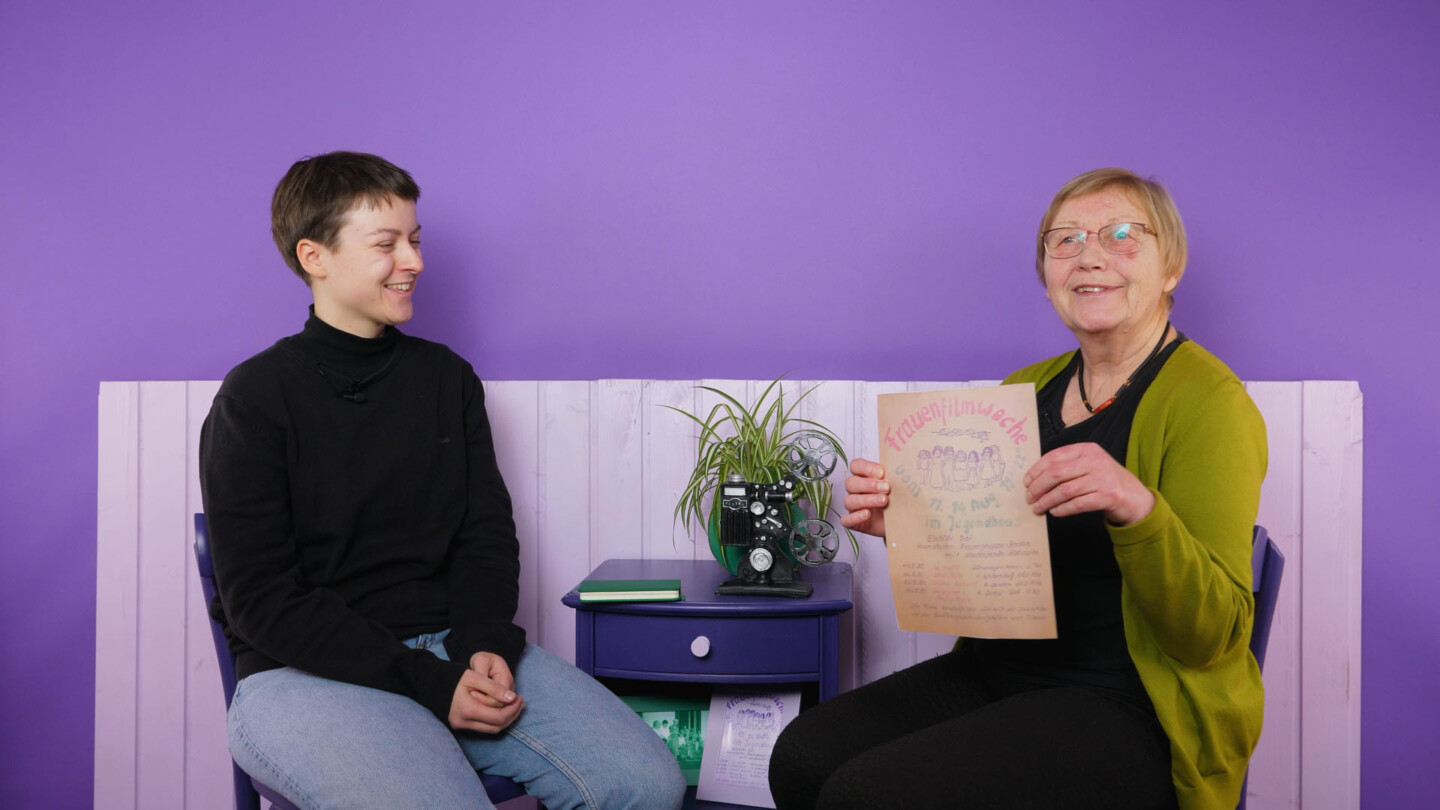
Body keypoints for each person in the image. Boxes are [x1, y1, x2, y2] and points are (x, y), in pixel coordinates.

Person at [199, 151, 685, 810]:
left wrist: (484, 643)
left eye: (416, 240)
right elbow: (263, 599)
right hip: (301, 673)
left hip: (451, 647)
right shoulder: (253, 398)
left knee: (647, 787)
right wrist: (426, 682)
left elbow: (483, 537)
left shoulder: (445, 379)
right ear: (315, 257)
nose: (415, 262)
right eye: (387, 244)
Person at [768, 168, 1266, 810]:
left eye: (1121, 235)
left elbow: (1214, 633)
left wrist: (1135, 507)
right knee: (803, 757)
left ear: (1170, 268)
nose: (1090, 255)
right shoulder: (1023, 390)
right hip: (1000, 674)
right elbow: (993, 559)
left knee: (867, 796)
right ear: (1048, 275)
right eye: (1064, 241)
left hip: (1132, 705)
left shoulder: (1209, 403)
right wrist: (911, 525)